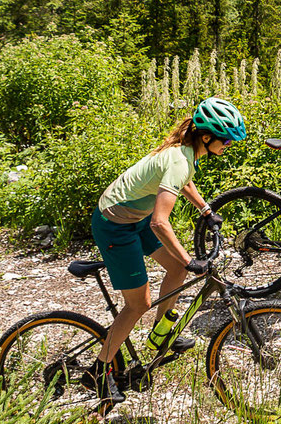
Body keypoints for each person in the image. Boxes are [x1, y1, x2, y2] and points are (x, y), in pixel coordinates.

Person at [90, 95, 246, 402]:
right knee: (138, 304)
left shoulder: (187, 153)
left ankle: (162, 335)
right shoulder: (179, 159)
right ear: (207, 137)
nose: (228, 146)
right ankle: (98, 371)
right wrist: (191, 260)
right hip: (115, 224)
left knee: (174, 269)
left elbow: (181, 182)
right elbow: (160, 223)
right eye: (226, 141)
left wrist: (205, 210)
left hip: (133, 218)